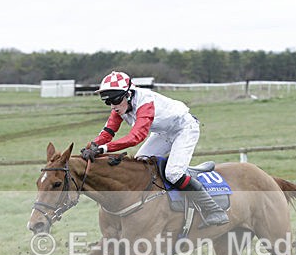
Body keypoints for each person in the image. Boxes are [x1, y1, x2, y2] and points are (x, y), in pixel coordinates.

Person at [81, 71, 229, 226]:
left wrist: (103, 149)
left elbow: (136, 137)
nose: (113, 105)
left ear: (129, 94)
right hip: (163, 133)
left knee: (173, 173)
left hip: (184, 129)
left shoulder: (145, 102)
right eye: (108, 101)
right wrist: (93, 145)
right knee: (140, 164)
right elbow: (108, 131)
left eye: (116, 99)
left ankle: (214, 210)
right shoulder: (120, 106)